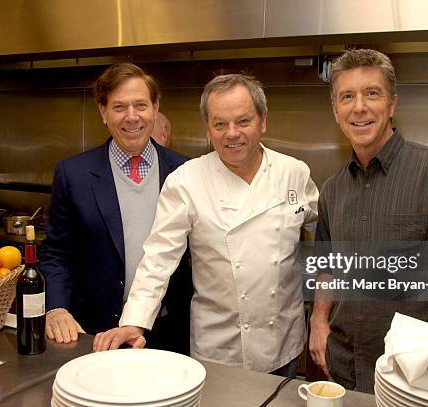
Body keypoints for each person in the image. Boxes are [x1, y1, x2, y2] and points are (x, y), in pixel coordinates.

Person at [93, 74, 319, 377]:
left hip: (282, 342)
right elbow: (159, 259)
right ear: (208, 129)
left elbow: (324, 234)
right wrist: (134, 321)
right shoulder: (186, 181)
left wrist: (324, 310)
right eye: (220, 124)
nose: (232, 134)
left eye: (243, 121)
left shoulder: (294, 173)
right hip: (217, 349)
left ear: (263, 121)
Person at [309, 49, 428, 393]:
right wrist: (319, 320)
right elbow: (327, 265)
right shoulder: (332, 190)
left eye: (372, 93)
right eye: (347, 96)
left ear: (392, 104)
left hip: (416, 372)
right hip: (345, 366)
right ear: (336, 111)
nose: (359, 107)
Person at [39, 63, 192, 354]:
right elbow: (57, 251)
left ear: (155, 107)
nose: (131, 116)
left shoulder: (185, 170)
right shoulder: (74, 174)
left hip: (168, 330)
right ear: (103, 111)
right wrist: (56, 307)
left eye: (140, 105)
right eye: (119, 107)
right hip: (96, 332)